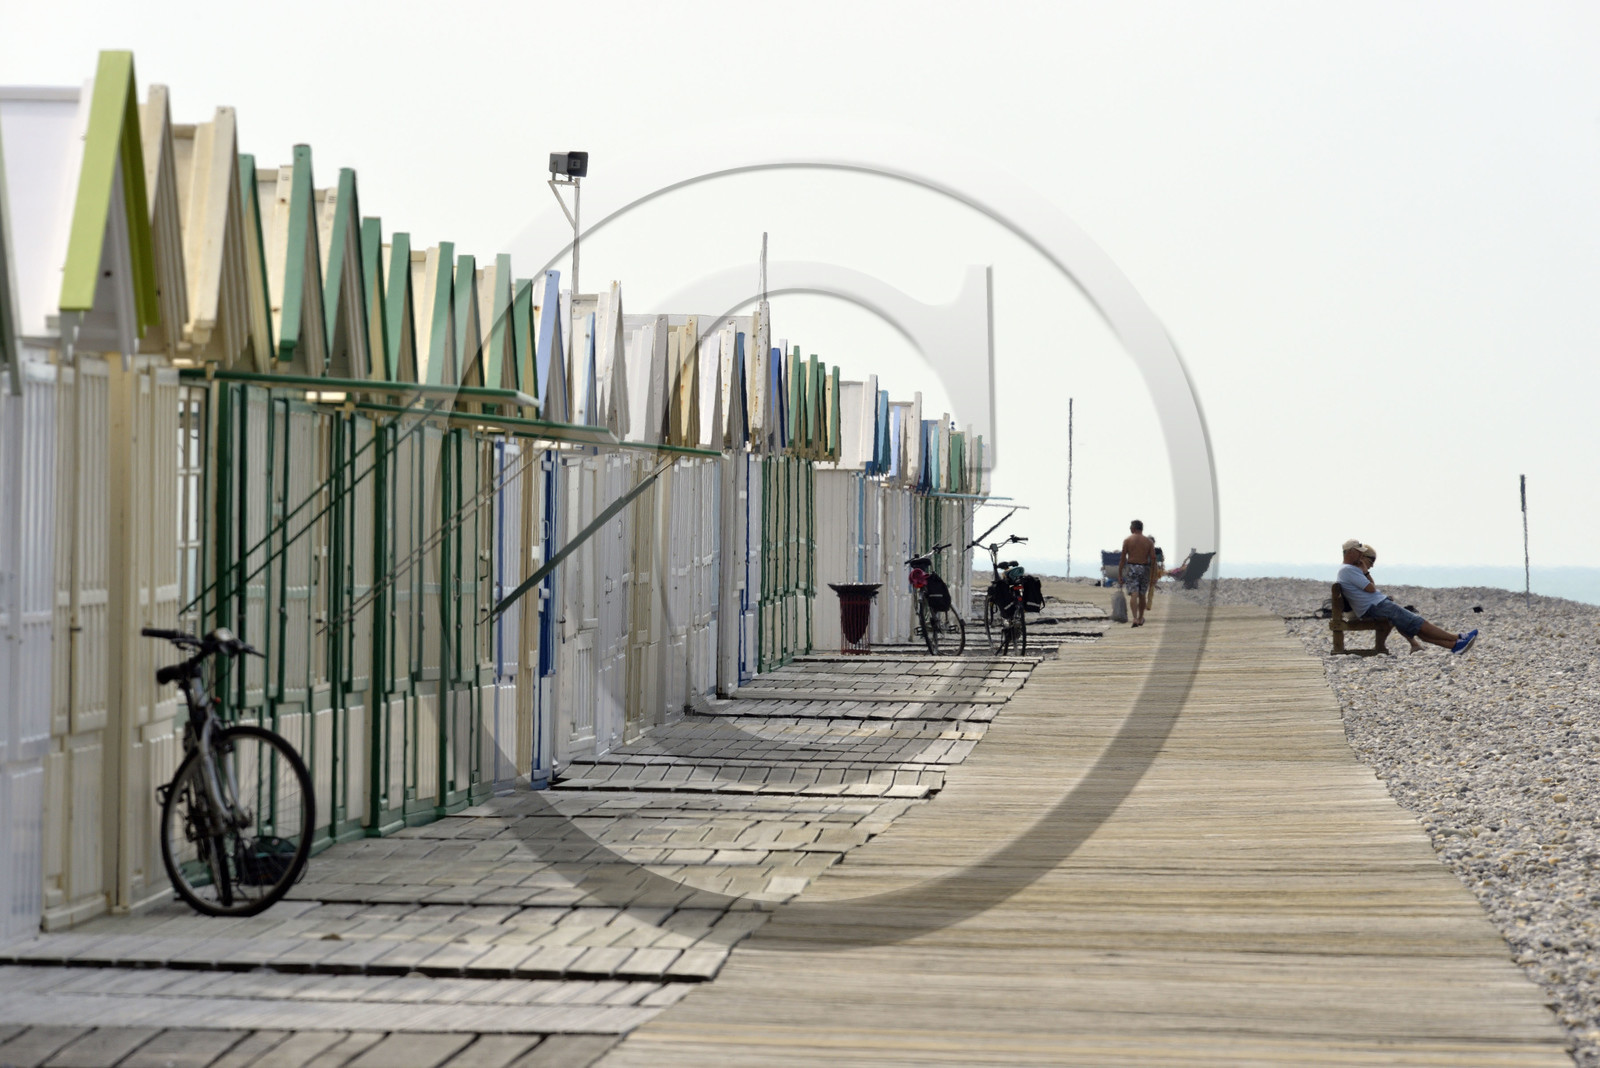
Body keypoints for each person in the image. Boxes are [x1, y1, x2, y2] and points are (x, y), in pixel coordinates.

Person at [1337, 539, 1478, 654]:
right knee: (1418, 622)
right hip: (1375, 606)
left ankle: (1455, 646)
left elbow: (1370, 587)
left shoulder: (1350, 570)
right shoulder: (1348, 570)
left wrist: (1365, 571)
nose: (1361, 556)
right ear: (1351, 552)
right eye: (1359, 553)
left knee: (1416, 628)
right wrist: (1364, 571)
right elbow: (1371, 588)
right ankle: (1459, 637)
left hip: (1375, 605)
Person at [1119, 520, 1156, 627]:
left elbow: (1122, 559)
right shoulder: (1149, 542)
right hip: (1145, 569)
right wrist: (1153, 575)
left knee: (1133, 594)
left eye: (1130, 527)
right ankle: (1140, 618)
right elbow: (1153, 559)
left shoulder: (1127, 540)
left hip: (1132, 568)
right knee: (1142, 595)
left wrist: (1120, 574)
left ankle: (1134, 618)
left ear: (1134, 528)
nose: (1130, 529)